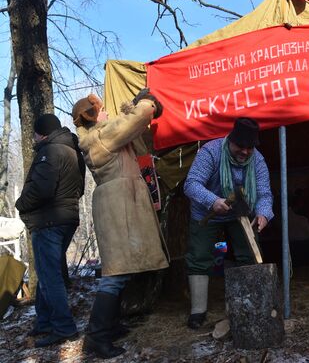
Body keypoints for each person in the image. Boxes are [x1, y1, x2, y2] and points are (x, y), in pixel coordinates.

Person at [73, 91, 169, 358]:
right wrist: (144, 104)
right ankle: (96, 336)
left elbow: (137, 141)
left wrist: (134, 111)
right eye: (102, 111)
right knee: (114, 276)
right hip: (118, 207)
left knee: (121, 272)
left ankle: (111, 326)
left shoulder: (103, 135)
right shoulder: (100, 137)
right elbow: (134, 120)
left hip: (120, 205)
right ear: (93, 117)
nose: (106, 113)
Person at [183, 118, 274, 329]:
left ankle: (251, 304)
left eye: (249, 148)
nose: (244, 152)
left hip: (239, 213)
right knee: (199, 256)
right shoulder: (211, 152)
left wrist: (263, 214)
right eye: (240, 146)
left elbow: (264, 193)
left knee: (249, 255)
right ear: (230, 140)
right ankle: (198, 311)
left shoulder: (257, 161)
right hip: (206, 211)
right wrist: (212, 201)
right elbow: (191, 184)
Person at [15, 114, 85, 347]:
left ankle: (64, 327)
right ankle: (45, 322)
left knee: (49, 276)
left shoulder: (50, 151)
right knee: (48, 273)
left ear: (42, 132)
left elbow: (42, 189)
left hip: (49, 220)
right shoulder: (73, 150)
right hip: (67, 218)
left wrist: (20, 203)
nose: (34, 137)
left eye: (35, 133)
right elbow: (80, 188)